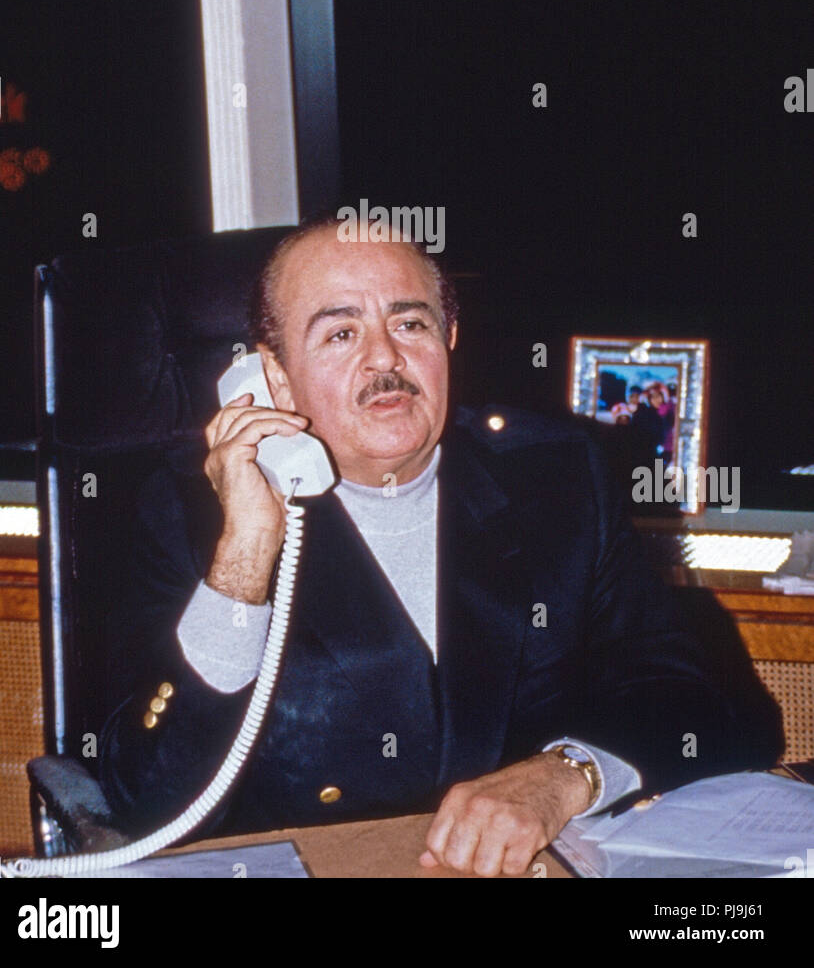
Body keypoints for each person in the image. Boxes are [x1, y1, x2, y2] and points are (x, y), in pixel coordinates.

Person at [99, 217, 752, 877]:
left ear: (451, 339)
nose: (384, 359)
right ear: (274, 375)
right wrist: (244, 560)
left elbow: (694, 700)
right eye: (340, 333)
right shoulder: (186, 511)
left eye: (411, 325)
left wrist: (564, 775)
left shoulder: (559, 477)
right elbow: (145, 802)